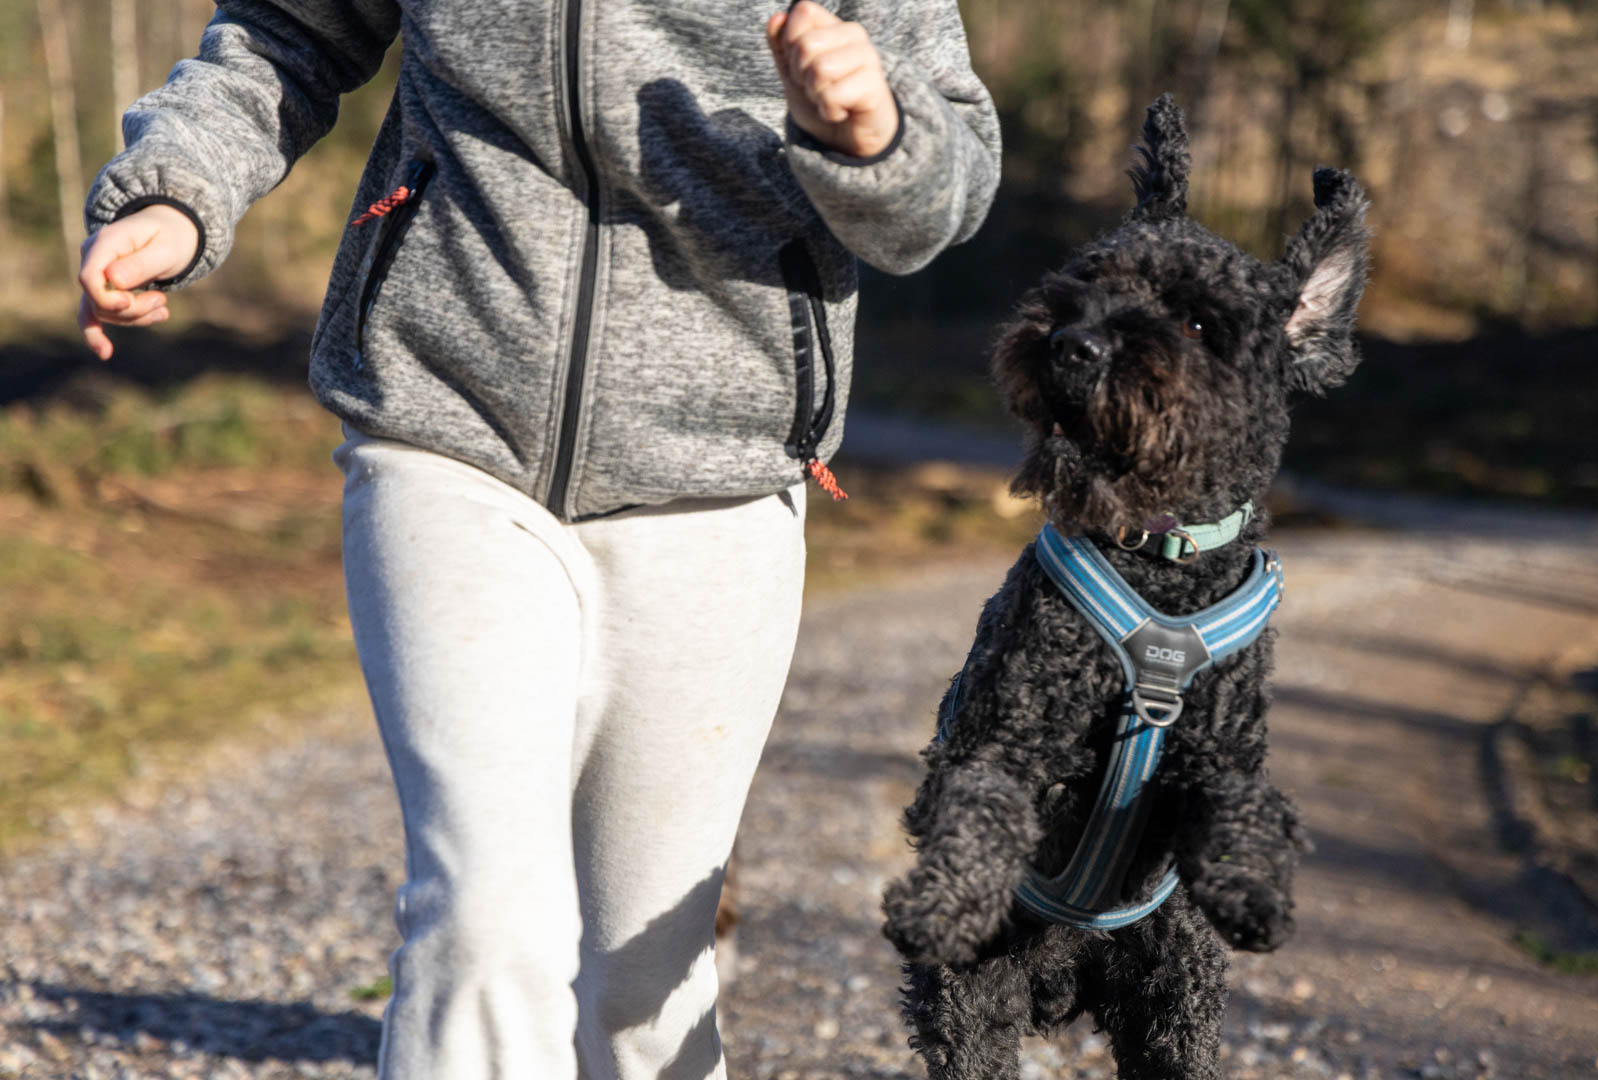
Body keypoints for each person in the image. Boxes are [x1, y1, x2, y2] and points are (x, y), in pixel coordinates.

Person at [75, 1, 1000, 1076]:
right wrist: (177, 188)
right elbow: (288, 33)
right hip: (445, 425)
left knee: (645, 984)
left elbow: (944, 189)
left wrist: (878, 135)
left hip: (719, 473)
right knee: (484, 922)